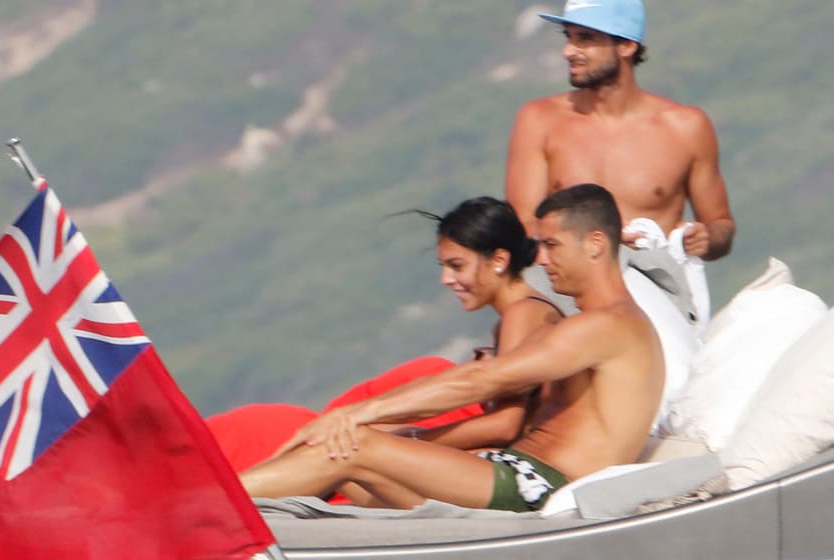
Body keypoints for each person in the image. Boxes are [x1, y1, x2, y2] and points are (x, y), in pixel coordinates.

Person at [239, 184, 662, 512]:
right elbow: (488, 381)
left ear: (595, 244)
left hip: (536, 487)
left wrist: (358, 414)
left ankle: (215, 510)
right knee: (346, 455)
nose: (541, 258)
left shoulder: (610, 324)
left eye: (552, 245)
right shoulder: (587, 324)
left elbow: (484, 381)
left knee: (352, 444)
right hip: (512, 471)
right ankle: (230, 514)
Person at [208, 197, 561, 474]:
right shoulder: (519, 315)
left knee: (319, 453)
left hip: (505, 470)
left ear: (498, 260)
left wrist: (406, 439)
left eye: (457, 266)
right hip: (480, 455)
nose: (446, 280)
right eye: (444, 267)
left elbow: (505, 425)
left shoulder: (522, 314)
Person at [506, 0, 735, 263]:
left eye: (585, 38)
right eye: (569, 37)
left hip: (656, 283)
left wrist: (706, 238)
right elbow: (520, 225)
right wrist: (599, 240)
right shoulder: (539, 120)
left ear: (626, 45)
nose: (568, 51)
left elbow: (721, 224)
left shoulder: (686, 127)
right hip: (565, 284)